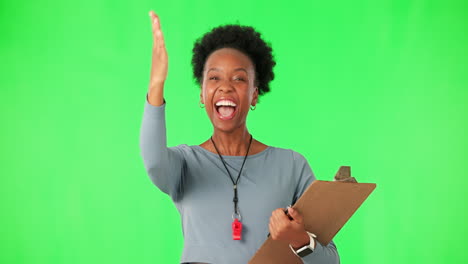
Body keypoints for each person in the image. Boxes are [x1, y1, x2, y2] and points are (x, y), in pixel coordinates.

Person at [139, 10, 340, 264]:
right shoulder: (184, 164)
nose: (225, 86)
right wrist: (156, 83)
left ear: (254, 95)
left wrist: (298, 239)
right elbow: (153, 161)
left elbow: (330, 260)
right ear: (202, 95)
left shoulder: (291, 166)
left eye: (239, 78)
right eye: (214, 78)